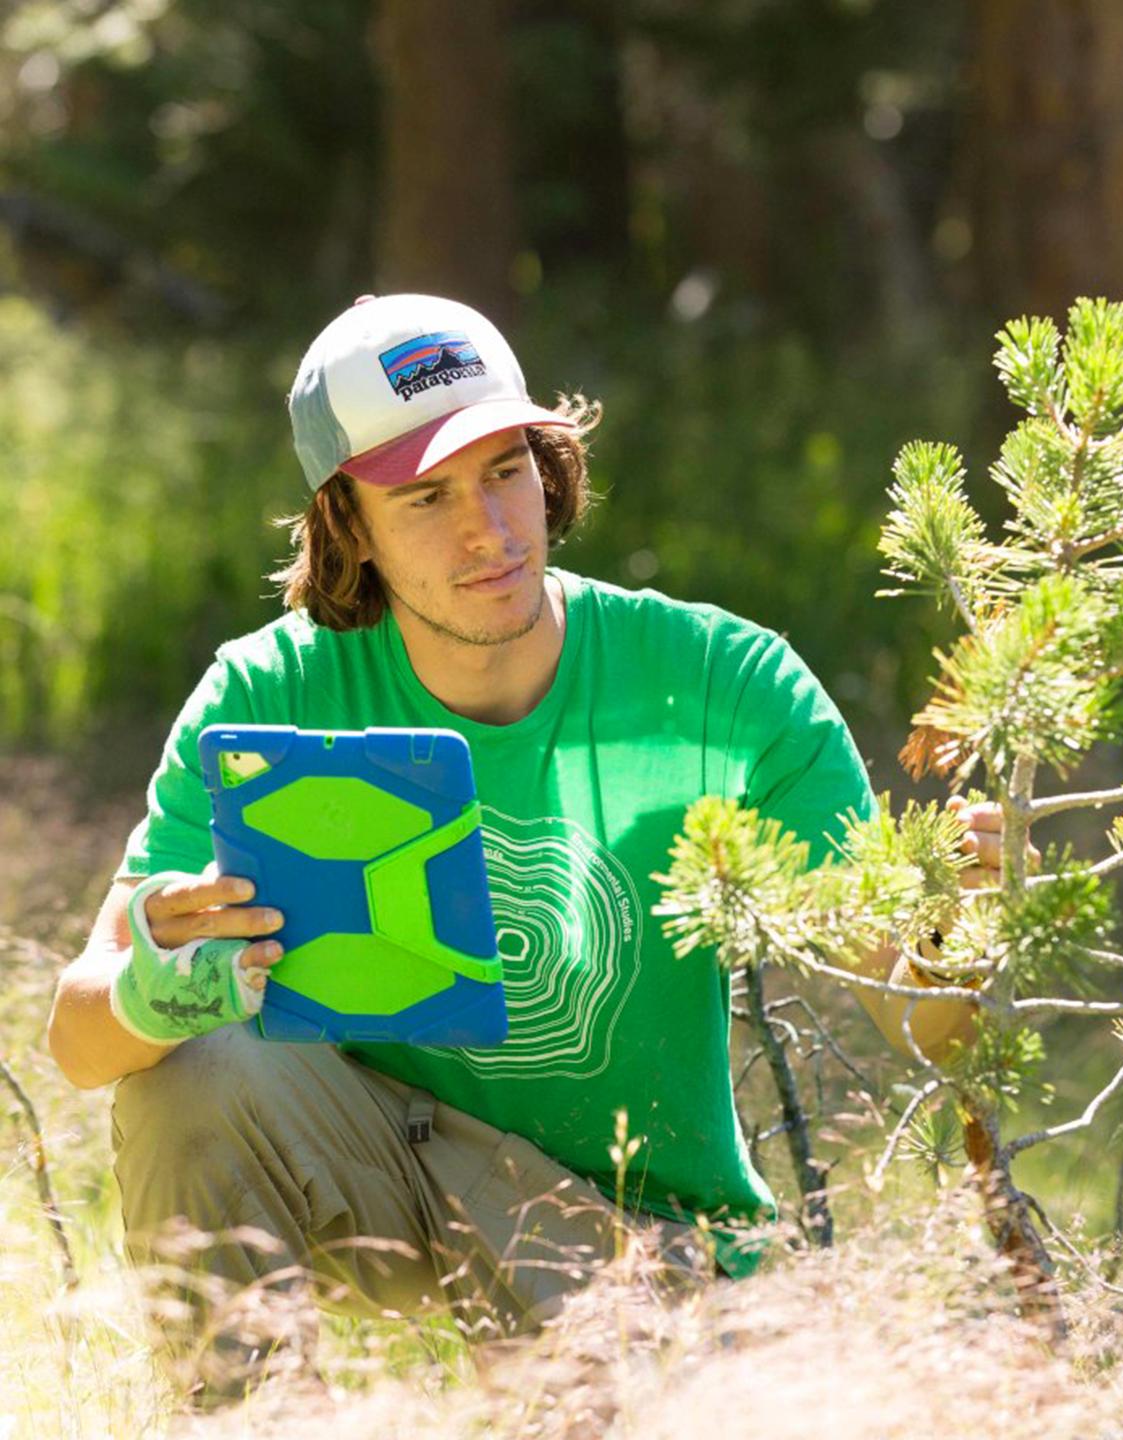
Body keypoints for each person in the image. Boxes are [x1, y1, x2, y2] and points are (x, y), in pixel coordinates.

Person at [45, 293, 996, 1409]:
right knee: (190, 1073)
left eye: (505, 471)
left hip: (639, 1226)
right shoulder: (267, 693)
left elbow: (924, 1020)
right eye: (425, 497)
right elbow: (79, 1037)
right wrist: (158, 990)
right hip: (383, 1163)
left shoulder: (726, 687)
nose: (488, 532)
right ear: (347, 524)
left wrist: (963, 926)